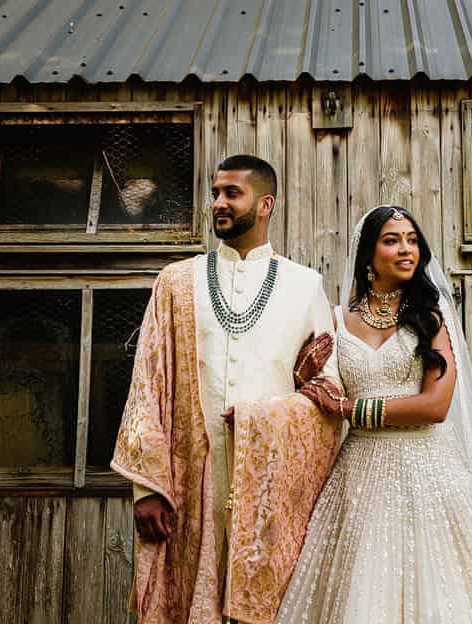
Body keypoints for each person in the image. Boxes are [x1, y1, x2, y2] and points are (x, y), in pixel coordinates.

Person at [275, 204, 472, 624]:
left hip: (430, 475)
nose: (406, 250)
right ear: (367, 255)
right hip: (358, 480)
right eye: (392, 240)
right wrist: (308, 381)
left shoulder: (430, 319)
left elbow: (435, 406)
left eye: (412, 241)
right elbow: (319, 391)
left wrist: (351, 409)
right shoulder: (336, 321)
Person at [112, 154, 346, 624]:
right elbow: (148, 382)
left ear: (265, 205)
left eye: (231, 193)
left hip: (270, 493)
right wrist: (145, 489)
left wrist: (266, 423)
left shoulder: (304, 287)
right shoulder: (176, 282)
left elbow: (327, 390)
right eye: (215, 193)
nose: (218, 202)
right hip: (185, 483)